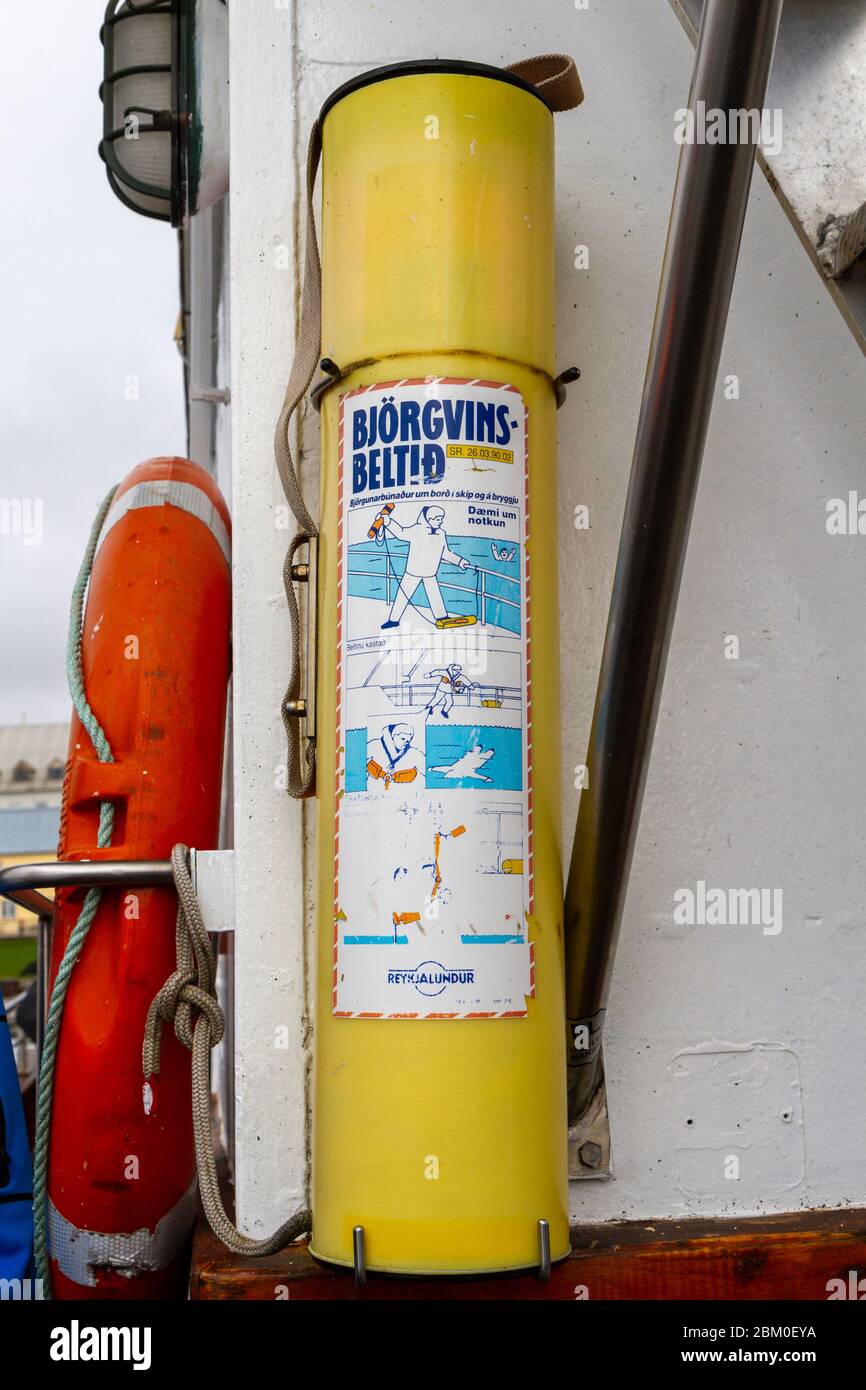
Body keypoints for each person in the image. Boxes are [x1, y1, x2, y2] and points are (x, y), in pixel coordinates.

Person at [379, 505, 470, 628]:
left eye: (441, 519)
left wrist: (460, 561)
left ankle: (442, 616)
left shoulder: (441, 534)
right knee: (403, 595)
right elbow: (401, 533)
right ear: (430, 519)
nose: (440, 522)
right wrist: (388, 522)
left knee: (435, 595)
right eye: (438, 519)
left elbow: (445, 552)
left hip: (430, 573)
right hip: (413, 572)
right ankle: (393, 620)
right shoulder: (417, 529)